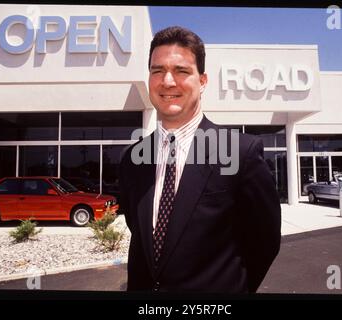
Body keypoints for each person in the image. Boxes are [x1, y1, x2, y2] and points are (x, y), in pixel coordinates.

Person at [119, 26, 281, 293]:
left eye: (181, 71)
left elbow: (264, 243)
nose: (167, 81)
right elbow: (139, 236)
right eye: (157, 70)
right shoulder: (131, 160)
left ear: (202, 81)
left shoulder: (241, 153)